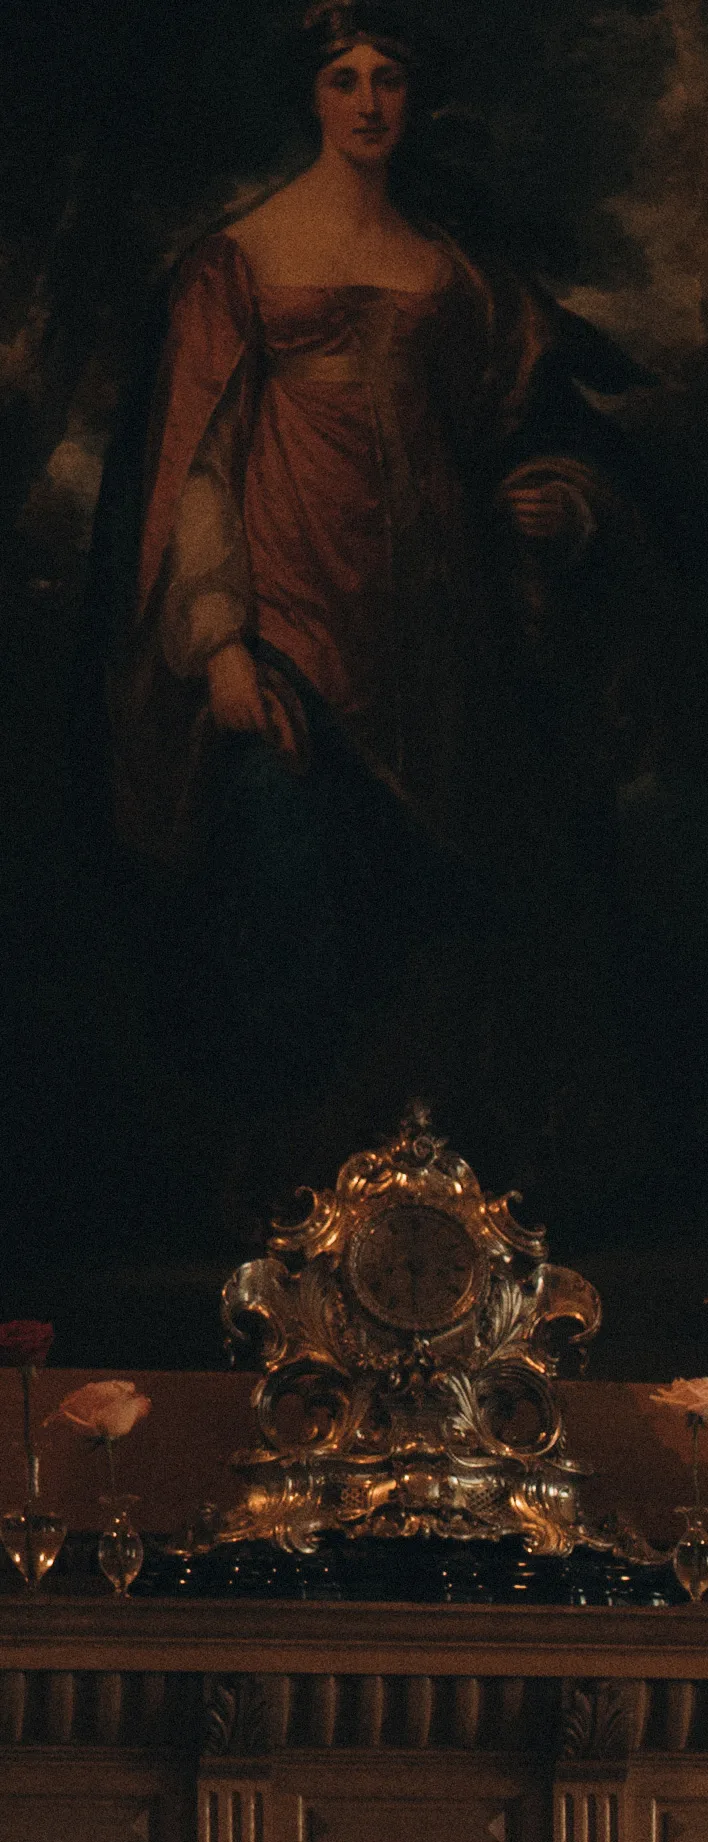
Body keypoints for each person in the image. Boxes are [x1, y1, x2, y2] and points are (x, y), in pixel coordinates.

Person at [107, 5, 638, 1178]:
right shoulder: (238, 259)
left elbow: (535, 435)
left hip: (438, 648)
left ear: (414, 96)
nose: (367, 102)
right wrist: (223, 644)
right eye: (343, 78)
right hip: (288, 631)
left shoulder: (457, 280)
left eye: (388, 78)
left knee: (439, 913)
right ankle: (288, 1184)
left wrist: (560, 498)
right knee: (286, 880)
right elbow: (199, 468)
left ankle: (424, 1192)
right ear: (311, 96)